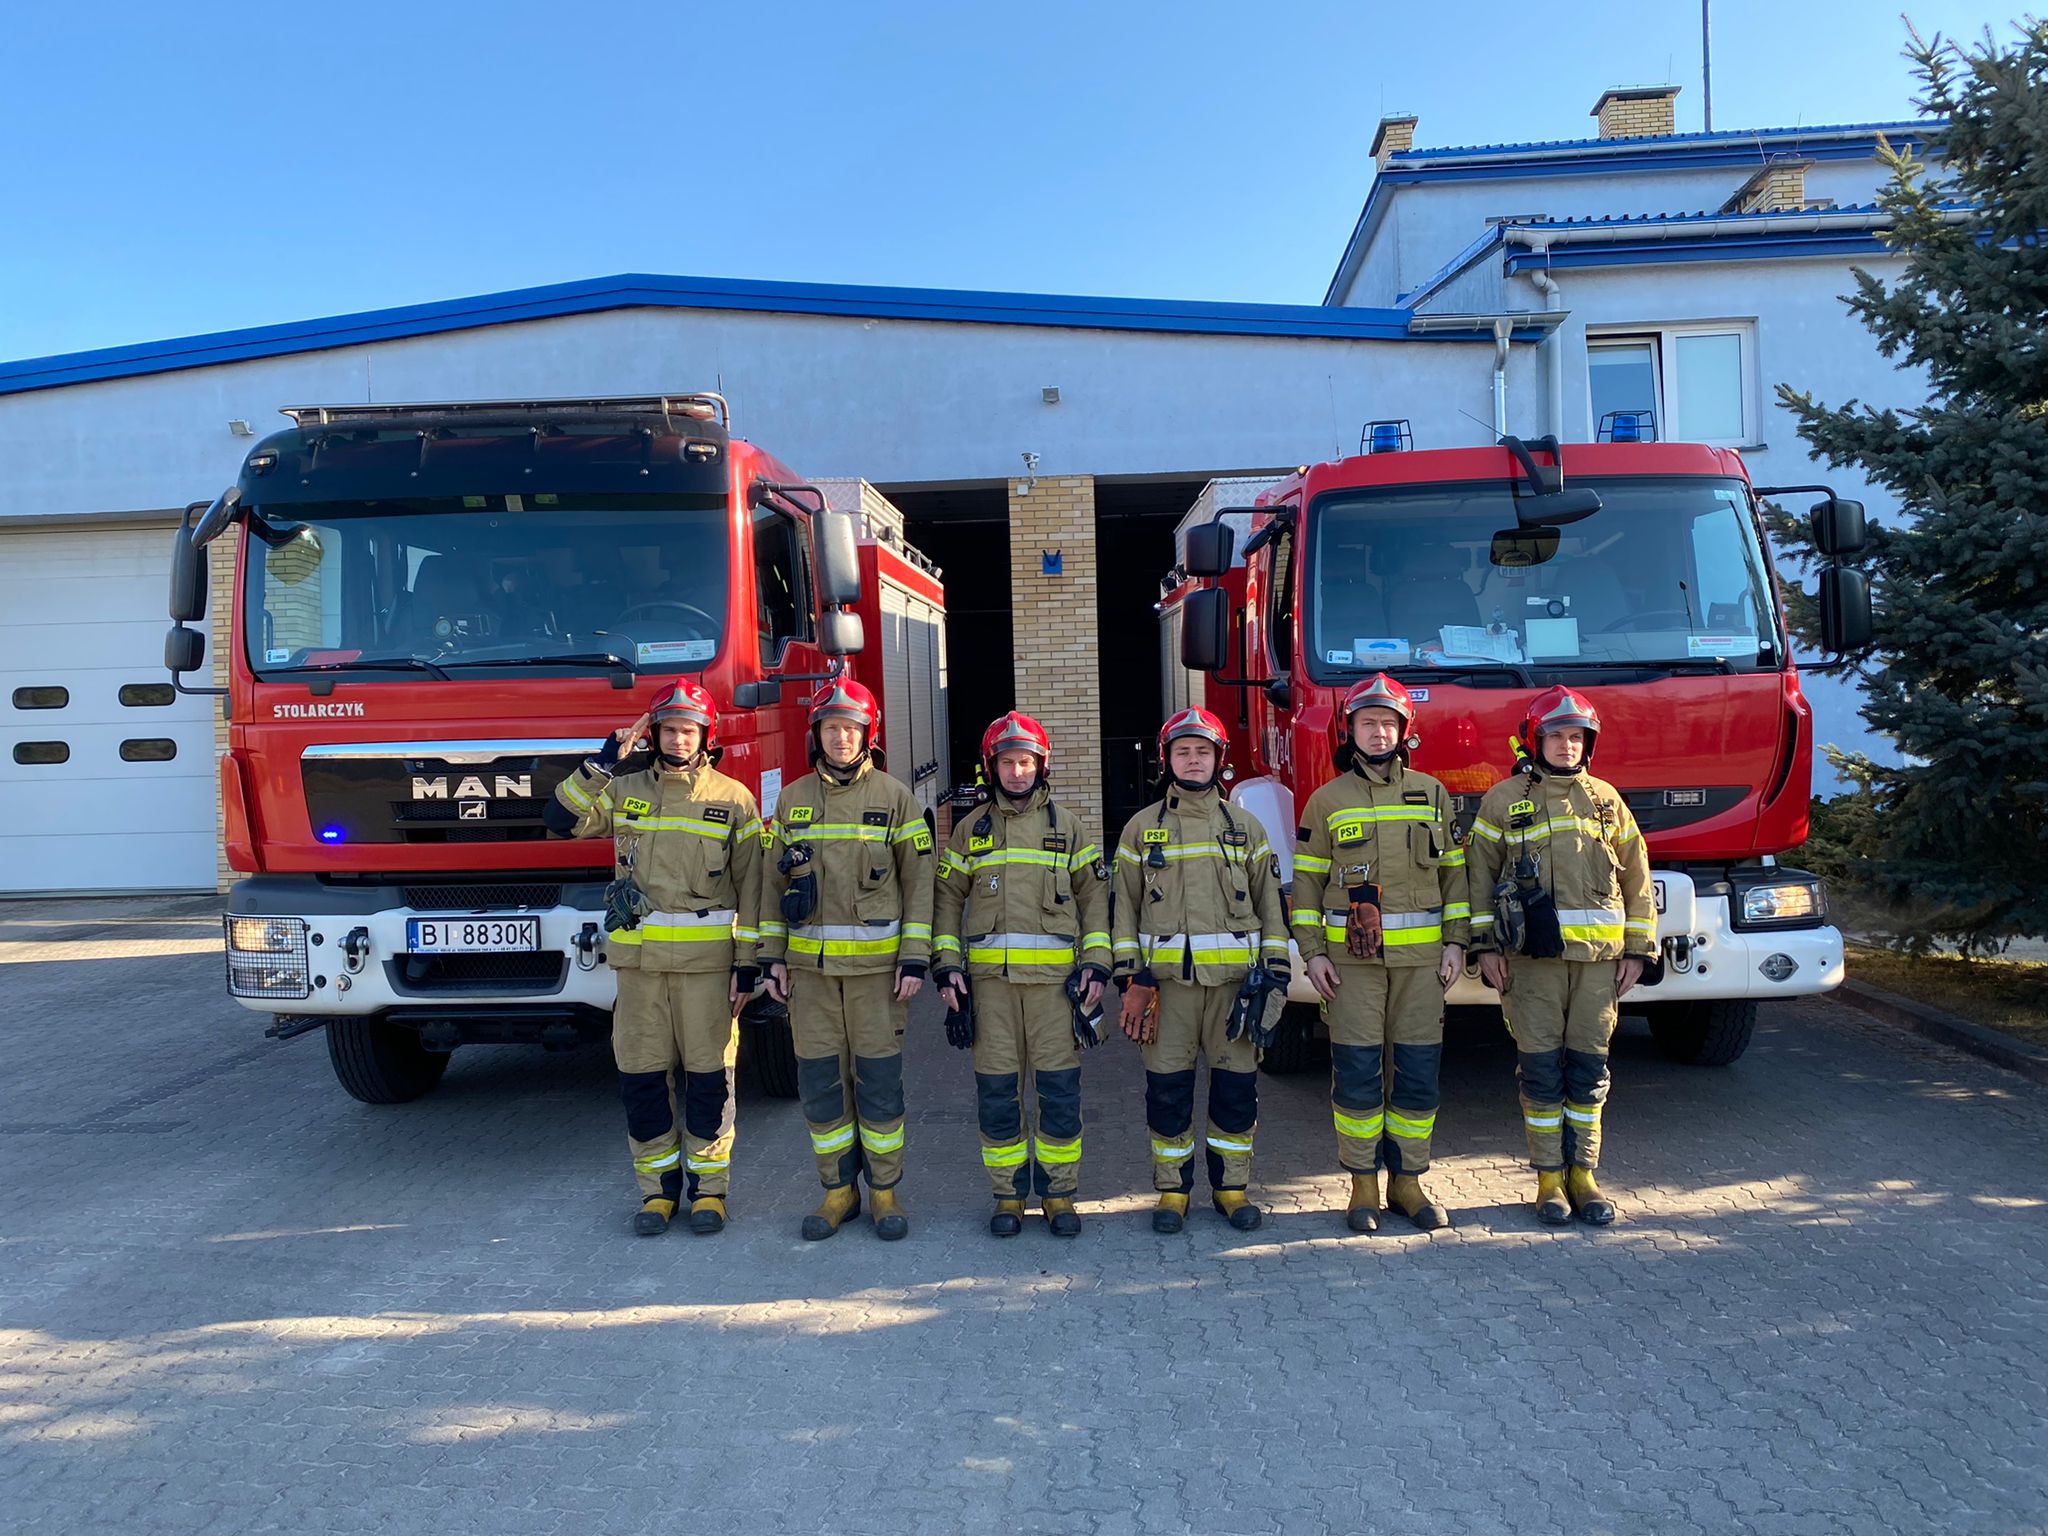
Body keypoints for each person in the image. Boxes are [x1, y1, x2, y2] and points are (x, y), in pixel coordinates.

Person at [544, 679, 761, 1237]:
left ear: (705, 736)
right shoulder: (623, 790)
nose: (679, 739)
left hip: (707, 973)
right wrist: (601, 763)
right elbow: (560, 820)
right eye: (669, 729)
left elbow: (754, 889)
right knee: (641, 1081)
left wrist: (748, 964)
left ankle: (709, 1192)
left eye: (688, 730)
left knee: (710, 1084)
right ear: (654, 734)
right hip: (639, 972)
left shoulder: (734, 799)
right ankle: (657, 1193)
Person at [1465, 686, 1657, 1226]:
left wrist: (1639, 951)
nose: (1568, 745)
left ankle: (1584, 1176)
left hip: (1599, 965)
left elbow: (1638, 878)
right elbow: (1476, 877)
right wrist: (1485, 947)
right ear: (1535, 740)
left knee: (1590, 1070)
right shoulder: (1503, 800)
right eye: (1556, 736)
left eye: (1577, 737)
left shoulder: (1606, 800)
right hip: (1531, 966)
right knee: (1542, 1070)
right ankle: (1549, 1178)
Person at [1292, 674, 1470, 1233]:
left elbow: (1455, 877)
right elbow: (1305, 887)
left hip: (1422, 968)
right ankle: (1363, 1185)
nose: (1378, 732)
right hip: (1352, 968)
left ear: (1404, 730)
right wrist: (1313, 953)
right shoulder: (1326, 801)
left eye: (1388, 723)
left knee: (1416, 1074)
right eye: (1367, 723)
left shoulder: (1432, 794)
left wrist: (1456, 942)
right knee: (1357, 1074)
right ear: (1349, 731)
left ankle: (1408, 1183)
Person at [759, 677, 936, 1242]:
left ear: (867, 734)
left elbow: (921, 884)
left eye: (851, 728)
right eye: (831, 727)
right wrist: (771, 957)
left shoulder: (895, 798)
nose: (840, 738)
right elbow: (770, 885)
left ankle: (884, 1191)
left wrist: (915, 958)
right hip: (809, 978)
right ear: (816, 734)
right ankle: (838, 1191)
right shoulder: (791, 800)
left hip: (877, 978)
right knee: (821, 1086)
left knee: (878, 1084)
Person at [932, 712, 1111, 1238]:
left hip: (1056, 991)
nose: (1016, 772)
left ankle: (1059, 1195)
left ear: (1041, 766)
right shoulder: (970, 830)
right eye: (1007, 762)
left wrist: (1097, 963)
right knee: (997, 1094)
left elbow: (1095, 899)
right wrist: (947, 968)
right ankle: (1008, 1196)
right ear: (991, 767)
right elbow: (946, 902)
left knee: (1059, 1093)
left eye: (1026, 762)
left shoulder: (1068, 827)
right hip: (991, 991)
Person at [1112, 708, 1290, 1233]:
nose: (1193, 760)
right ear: (1166, 760)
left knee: (1235, 1093)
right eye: (1183, 751)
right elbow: (1121, 911)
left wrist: (1275, 975)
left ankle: (1232, 1190)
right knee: (1167, 1093)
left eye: (1203, 751)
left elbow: (1271, 907)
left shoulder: (1246, 827)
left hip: (1236, 991)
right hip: (1166, 993)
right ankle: (1173, 1192)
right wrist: (1132, 978)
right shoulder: (1141, 829)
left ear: (1219, 759)